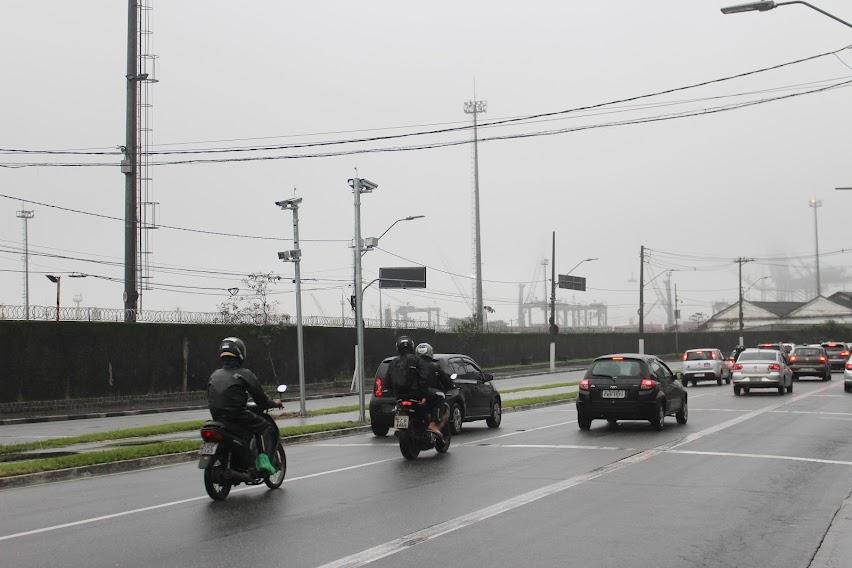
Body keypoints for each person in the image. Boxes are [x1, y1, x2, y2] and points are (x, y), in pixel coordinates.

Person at [207, 337, 283, 476]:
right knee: (267, 428)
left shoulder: (214, 375)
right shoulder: (245, 374)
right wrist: (274, 403)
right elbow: (261, 400)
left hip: (218, 418)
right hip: (238, 416)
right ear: (240, 353)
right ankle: (265, 464)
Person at [415, 342, 452, 436]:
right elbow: (445, 381)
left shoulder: (413, 366)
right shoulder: (433, 366)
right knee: (440, 395)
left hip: (411, 394)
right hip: (425, 393)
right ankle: (433, 424)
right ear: (430, 352)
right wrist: (450, 385)